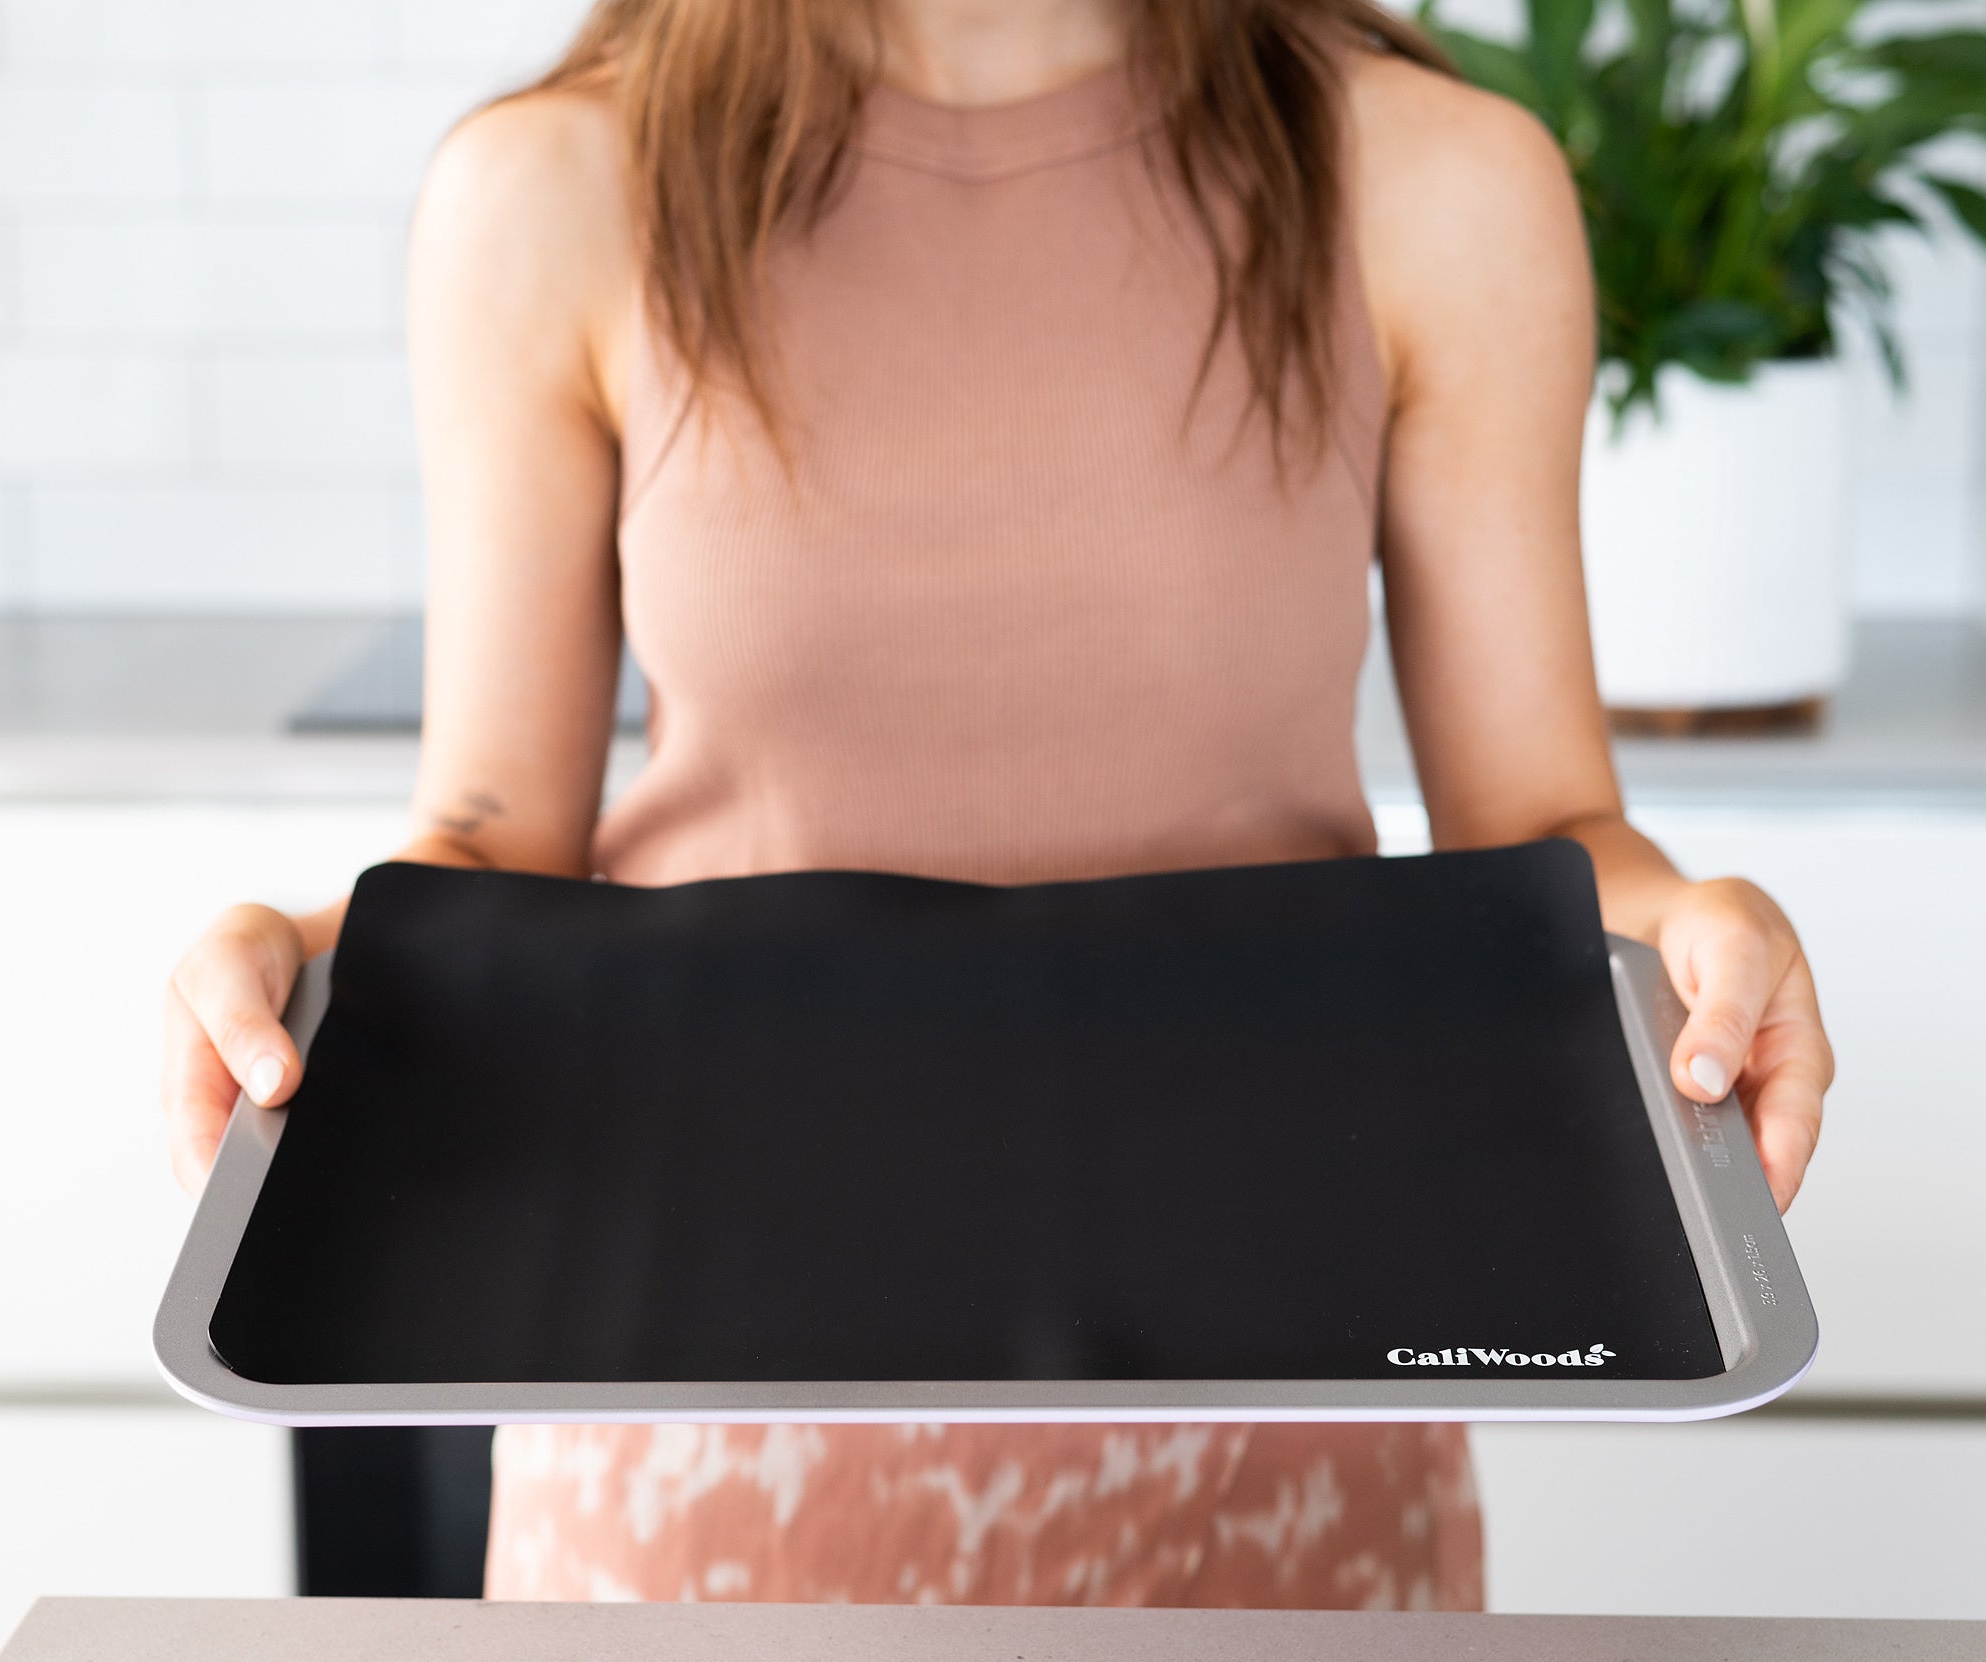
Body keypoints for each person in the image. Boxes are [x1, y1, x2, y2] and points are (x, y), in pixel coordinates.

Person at [162, 0, 1832, 1612]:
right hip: (697, 1460)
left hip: (1289, 1441)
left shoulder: (1441, 182)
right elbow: (488, 832)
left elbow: (1539, 829)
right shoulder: (552, 190)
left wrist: (1685, 924)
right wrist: (325, 958)